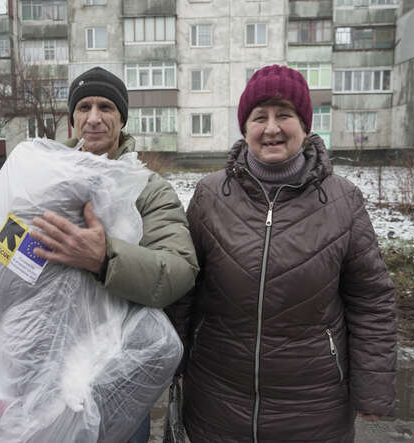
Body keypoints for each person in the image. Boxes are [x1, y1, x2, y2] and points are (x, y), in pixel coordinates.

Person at [0, 66, 199, 443]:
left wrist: (105, 259)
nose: (94, 118)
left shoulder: (147, 189)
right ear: (71, 119)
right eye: (83, 107)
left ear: (122, 118)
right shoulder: (43, 172)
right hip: (30, 361)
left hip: (109, 373)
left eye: (106, 107)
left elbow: (178, 270)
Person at [166, 65, 397, 442]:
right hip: (217, 401)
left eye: (284, 115)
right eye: (260, 117)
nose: (271, 128)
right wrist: (170, 362)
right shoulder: (210, 196)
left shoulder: (343, 200)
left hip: (313, 409)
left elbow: (371, 300)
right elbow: (185, 287)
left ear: (305, 126)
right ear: (245, 128)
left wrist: (373, 388)